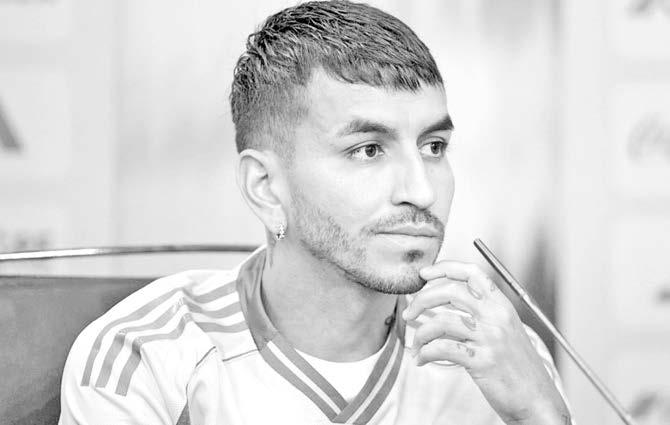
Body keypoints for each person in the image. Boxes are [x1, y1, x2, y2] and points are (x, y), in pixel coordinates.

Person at [59, 1, 572, 424]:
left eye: (433, 146)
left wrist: (541, 414)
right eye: (368, 150)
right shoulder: (143, 356)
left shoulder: (498, 353)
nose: (421, 191)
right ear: (265, 187)